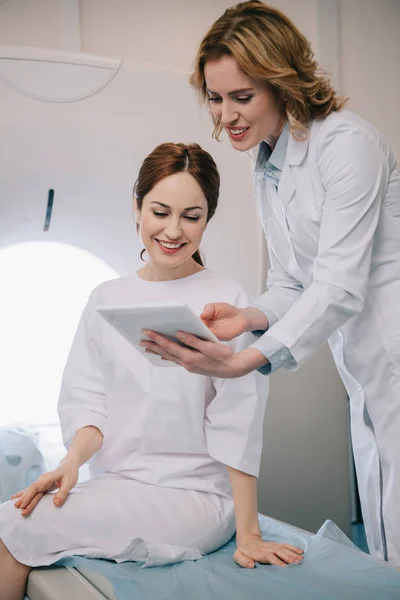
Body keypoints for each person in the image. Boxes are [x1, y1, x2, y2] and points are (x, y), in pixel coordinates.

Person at [140, 2, 400, 567]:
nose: (226, 114)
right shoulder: (268, 162)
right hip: (364, 360)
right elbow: (290, 279)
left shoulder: (347, 144)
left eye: (242, 96)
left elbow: (338, 286)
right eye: (215, 97)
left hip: (391, 342)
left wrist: (246, 360)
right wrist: (249, 318)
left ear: (282, 83)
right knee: (385, 498)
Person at [0, 142, 303, 600]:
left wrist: (249, 533)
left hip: (193, 497)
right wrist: (70, 464)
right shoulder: (106, 297)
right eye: (160, 211)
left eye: (192, 216)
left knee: (8, 530)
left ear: (207, 220)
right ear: (137, 208)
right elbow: (88, 402)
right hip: (118, 484)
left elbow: (238, 421)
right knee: (14, 516)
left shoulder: (227, 299)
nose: (174, 230)